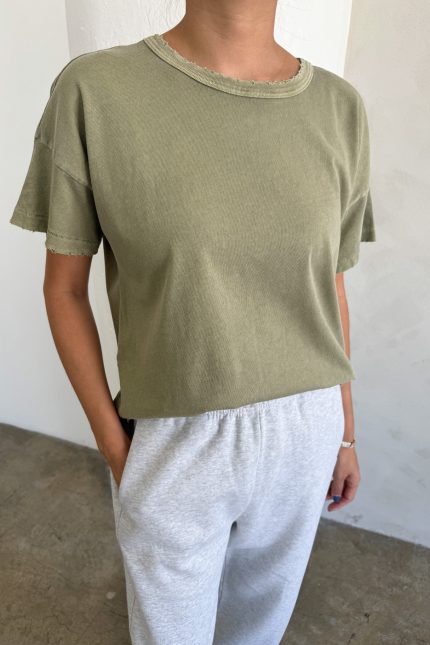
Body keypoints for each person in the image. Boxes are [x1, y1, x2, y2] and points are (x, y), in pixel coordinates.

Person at [9, 1, 376, 643]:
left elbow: (330, 286)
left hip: (307, 427)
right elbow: (63, 290)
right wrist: (118, 451)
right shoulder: (96, 91)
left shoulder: (339, 108)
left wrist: (344, 433)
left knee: (256, 632)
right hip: (176, 433)